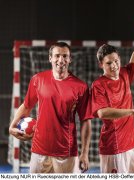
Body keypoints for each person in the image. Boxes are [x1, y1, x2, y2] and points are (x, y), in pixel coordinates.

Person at [9, 42, 91, 173]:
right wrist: (12, 126)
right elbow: (26, 106)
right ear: (50, 58)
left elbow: (86, 121)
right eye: (57, 55)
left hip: (66, 152)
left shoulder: (80, 87)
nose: (61, 60)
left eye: (65, 56)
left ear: (70, 59)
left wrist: (85, 153)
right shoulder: (38, 79)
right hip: (39, 149)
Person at [89, 20, 134, 173]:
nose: (114, 65)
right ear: (101, 65)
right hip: (114, 147)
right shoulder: (98, 85)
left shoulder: (124, 73)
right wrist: (132, 112)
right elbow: (103, 112)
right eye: (109, 63)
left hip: (133, 144)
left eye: (116, 61)